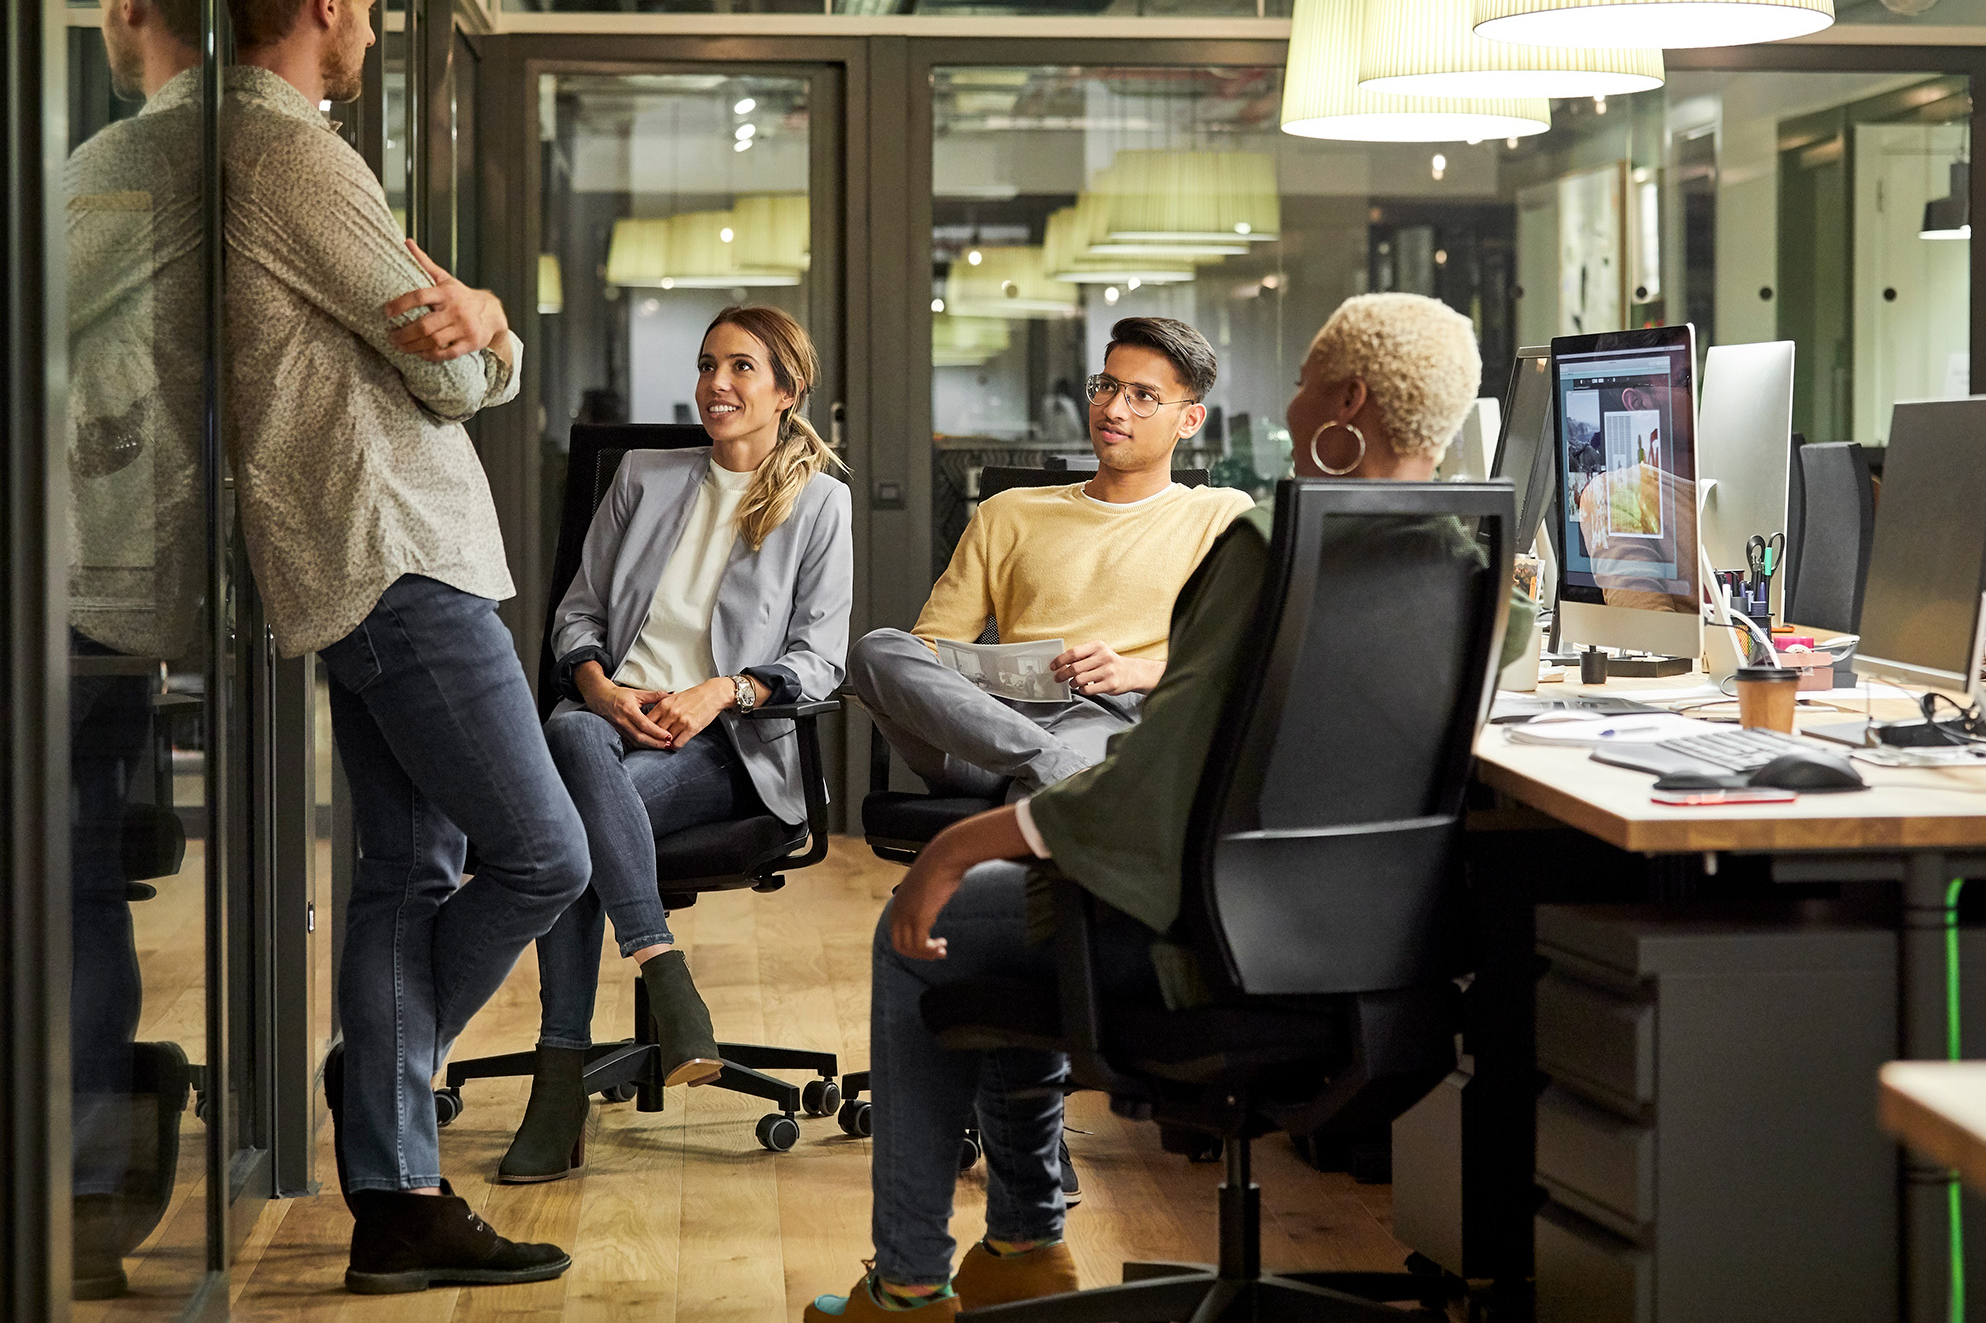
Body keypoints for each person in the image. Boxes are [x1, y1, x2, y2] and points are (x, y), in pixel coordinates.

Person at [805, 293, 1532, 1323]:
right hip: (1372, 945)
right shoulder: (1468, 558)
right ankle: (1020, 1240)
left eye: (1303, 380)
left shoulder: (1266, 545)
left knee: (933, 924)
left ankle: (913, 1283)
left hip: (1205, 939)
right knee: (1016, 911)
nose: (1287, 404)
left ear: (1350, 398)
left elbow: (1150, 784)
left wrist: (956, 846)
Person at [221, 0, 587, 1293]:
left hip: (362, 560)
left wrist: (470, 320)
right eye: (369, 5)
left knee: (406, 871)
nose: (372, 29)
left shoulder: (274, 161)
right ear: (324, 5)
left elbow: (431, 342)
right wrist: (489, 322)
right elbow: (453, 369)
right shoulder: (300, 164)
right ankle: (384, 1080)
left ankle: (395, 1200)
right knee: (543, 854)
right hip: (398, 560)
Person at [499, 306, 852, 1183]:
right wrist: (605, 689)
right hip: (613, 728)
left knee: (569, 824)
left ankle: (559, 1078)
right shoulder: (644, 476)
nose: (716, 385)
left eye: (740, 367)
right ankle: (663, 970)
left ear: (787, 389)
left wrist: (719, 693)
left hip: (728, 752)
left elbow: (821, 658)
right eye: (706, 366)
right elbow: (576, 615)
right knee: (575, 733)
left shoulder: (821, 503)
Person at [66, 0, 207, 1300]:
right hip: (135, 573)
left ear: (124, 1)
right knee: (88, 876)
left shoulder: (133, 162)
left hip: (87, 584)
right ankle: (95, 1171)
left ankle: (90, 1188)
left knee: (72, 883)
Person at [848, 316, 1252, 804]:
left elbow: (1243, 659)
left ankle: (1054, 786)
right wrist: (979, 689)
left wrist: (1135, 672)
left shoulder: (1220, 514)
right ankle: (1064, 777)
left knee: (1043, 800)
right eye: (1106, 386)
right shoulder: (1008, 511)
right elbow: (931, 649)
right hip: (985, 728)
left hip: (1116, 721)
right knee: (877, 651)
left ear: (1189, 420)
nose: (1114, 409)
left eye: (1143, 397)